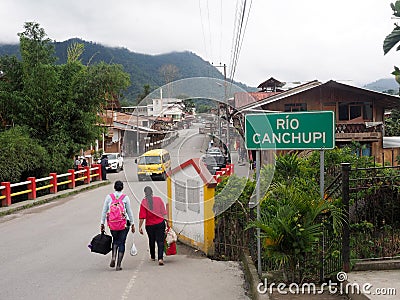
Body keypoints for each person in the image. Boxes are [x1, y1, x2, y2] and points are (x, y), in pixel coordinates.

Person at [101, 180, 135, 271]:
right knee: (122, 242)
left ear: (114, 187)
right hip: (124, 223)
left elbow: (104, 211)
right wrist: (132, 223)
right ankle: (118, 264)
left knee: (115, 240)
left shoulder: (109, 197)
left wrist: (102, 223)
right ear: (122, 188)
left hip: (113, 224)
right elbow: (129, 211)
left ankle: (113, 257)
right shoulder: (125, 198)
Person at [138, 186, 167, 266]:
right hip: (160, 223)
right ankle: (160, 258)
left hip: (150, 225)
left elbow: (142, 217)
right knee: (160, 241)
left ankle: (153, 256)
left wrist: (139, 227)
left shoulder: (144, 202)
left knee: (151, 240)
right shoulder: (159, 199)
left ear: (145, 193)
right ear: (152, 192)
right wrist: (167, 223)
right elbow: (164, 213)